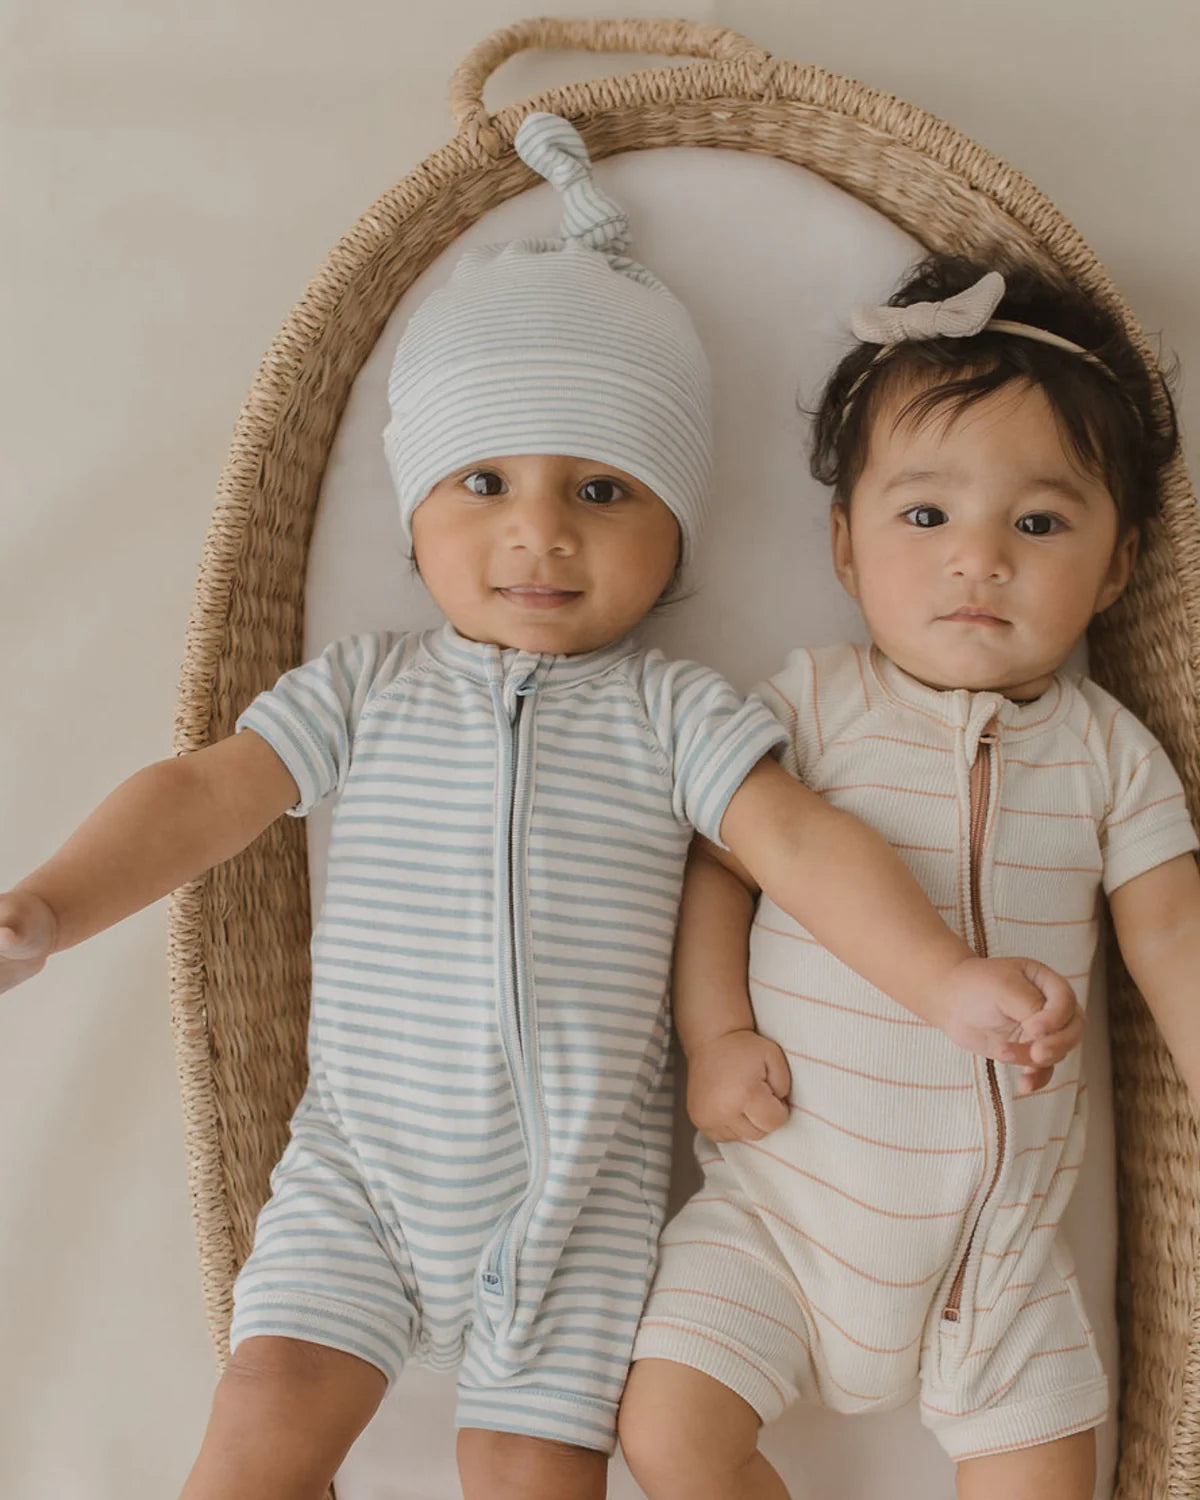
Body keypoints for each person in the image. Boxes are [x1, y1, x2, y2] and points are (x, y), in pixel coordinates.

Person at [0, 128, 1078, 1500]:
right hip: (365, 1166)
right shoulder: (367, 688)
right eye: (485, 483)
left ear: (678, 533)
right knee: (261, 1417)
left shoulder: (674, 712)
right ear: (415, 515)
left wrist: (946, 982)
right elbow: (202, 794)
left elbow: (801, 846)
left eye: (604, 490)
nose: (541, 534)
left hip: (579, 1200)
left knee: (530, 1474)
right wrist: (50, 903)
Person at [619, 256, 1200, 1500]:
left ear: (1116, 567)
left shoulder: (1111, 751)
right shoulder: (811, 704)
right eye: (926, 516)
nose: (977, 559)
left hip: (996, 1258)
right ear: (844, 546)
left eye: (1038, 524)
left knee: (1053, 1476)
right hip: (782, 1204)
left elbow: (1172, 937)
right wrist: (715, 1033)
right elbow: (719, 871)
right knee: (667, 1434)